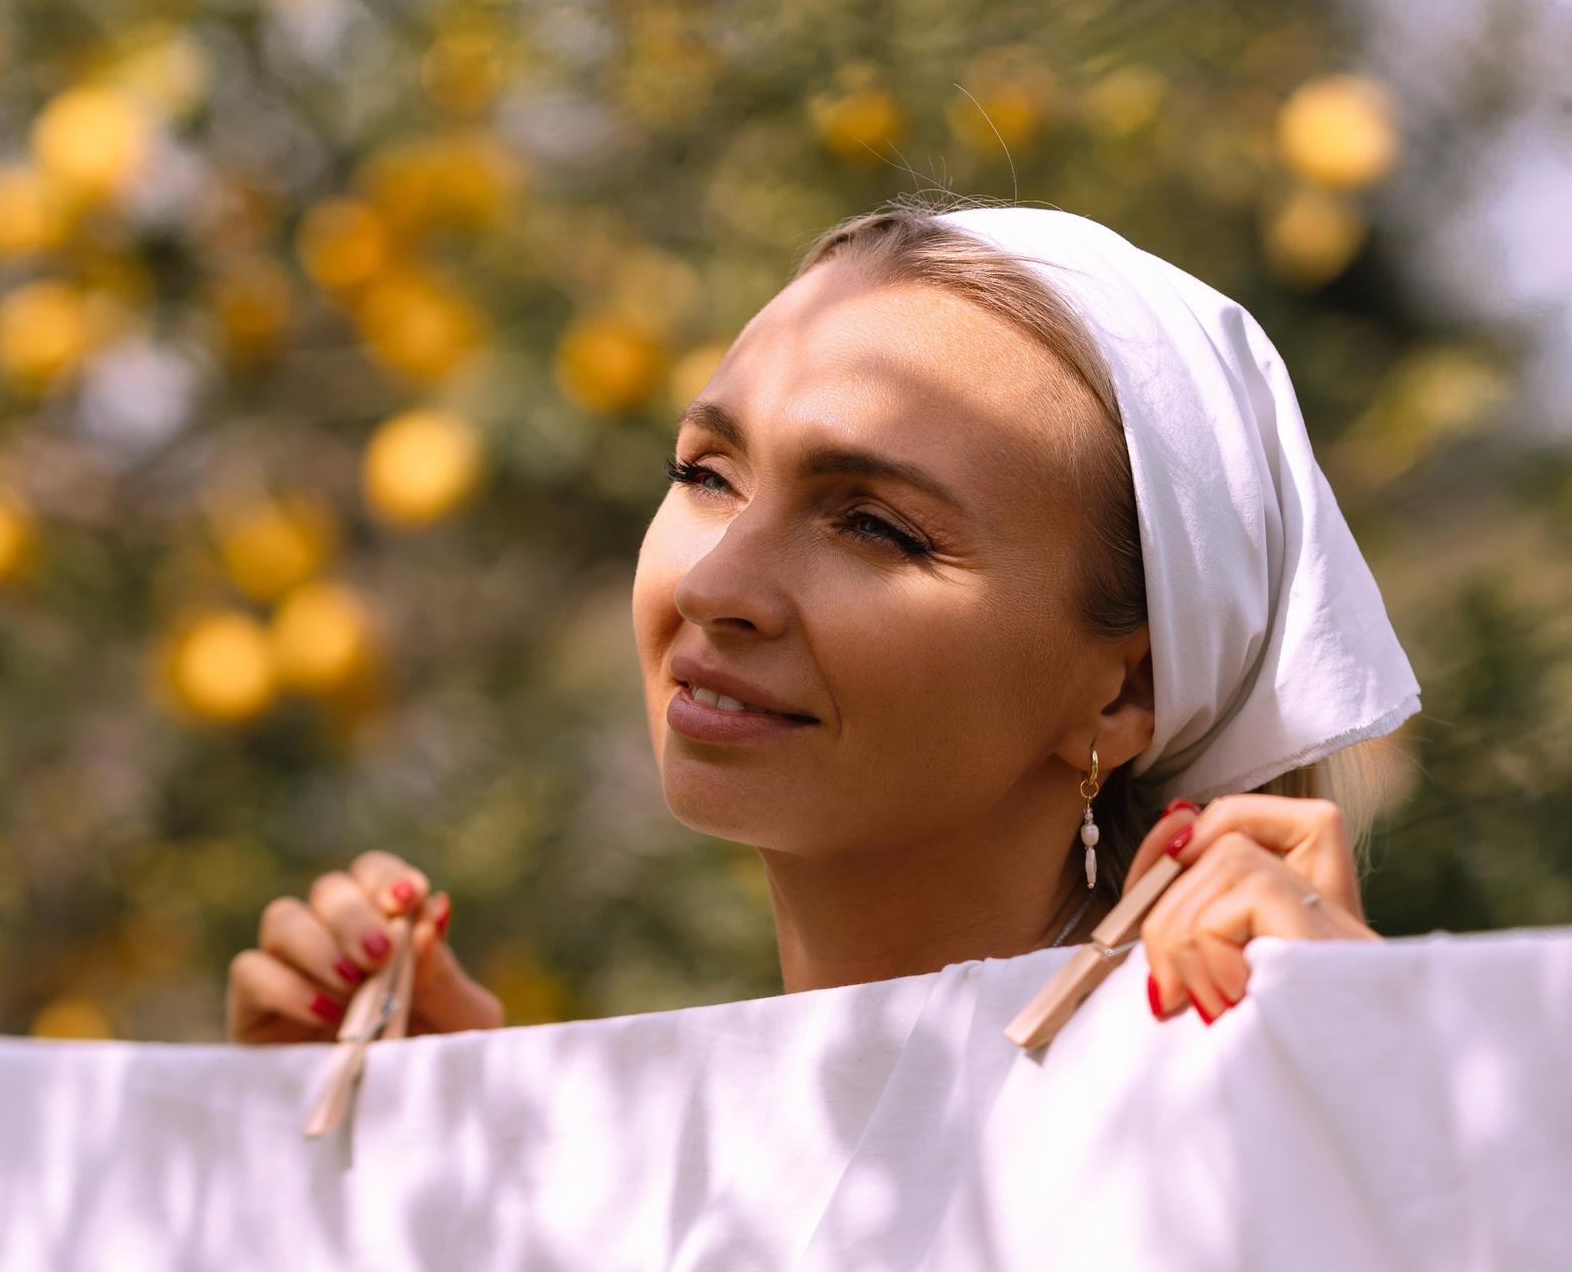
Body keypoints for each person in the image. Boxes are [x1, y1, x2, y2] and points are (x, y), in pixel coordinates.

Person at [226, 203, 1419, 1043]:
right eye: (706, 472)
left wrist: (1387, 1111)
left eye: (874, 526)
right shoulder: (649, 1174)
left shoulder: (1259, 1093)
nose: (714, 584)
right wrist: (428, 1179)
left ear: (1122, 689)